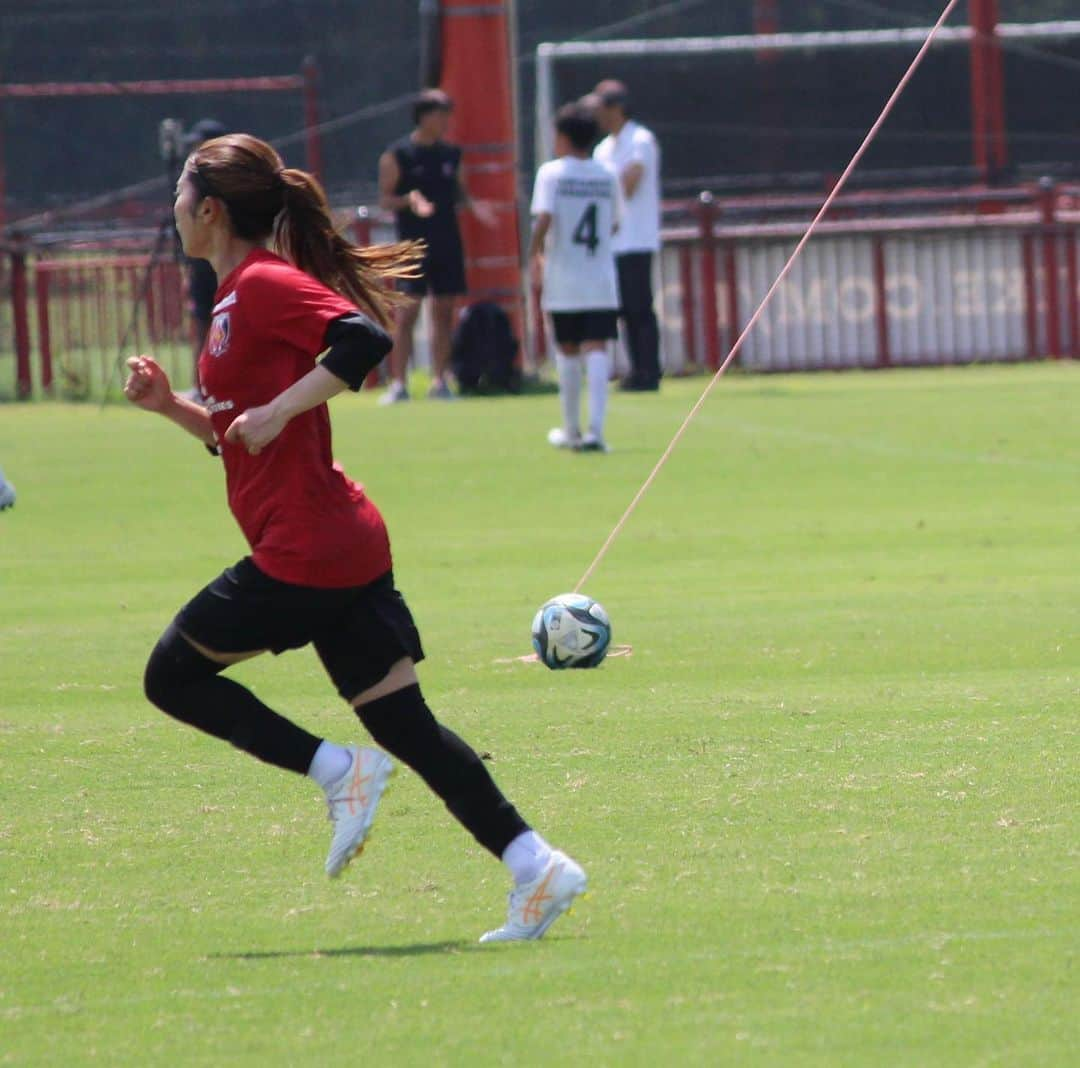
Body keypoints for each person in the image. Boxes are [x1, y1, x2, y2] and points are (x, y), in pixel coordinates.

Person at [122, 132, 586, 943]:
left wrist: (279, 409)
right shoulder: (235, 299)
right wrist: (170, 409)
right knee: (407, 727)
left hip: (307, 550)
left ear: (210, 210)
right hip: (337, 541)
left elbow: (363, 343)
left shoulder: (264, 283)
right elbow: (241, 433)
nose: (173, 212)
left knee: (171, 676)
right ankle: (536, 865)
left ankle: (337, 771)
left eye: (180, 196)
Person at [377, 89, 495, 403]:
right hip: (412, 246)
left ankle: (440, 380)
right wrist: (409, 200)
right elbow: (385, 198)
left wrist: (476, 207)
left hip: (447, 242)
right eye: (439, 114)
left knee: (444, 312)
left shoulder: (451, 154)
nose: (445, 121)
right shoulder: (398, 154)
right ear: (423, 116)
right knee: (408, 313)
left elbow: (461, 193)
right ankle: (398, 384)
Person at [530, 102, 621, 452]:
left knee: (567, 349)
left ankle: (571, 430)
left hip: (563, 275)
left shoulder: (551, 173)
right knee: (597, 347)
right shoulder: (607, 173)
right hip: (599, 275)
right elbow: (614, 222)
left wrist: (534, 254)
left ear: (563, 137)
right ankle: (596, 432)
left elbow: (544, 220)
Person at [592, 80, 663, 392]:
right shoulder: (603, 148)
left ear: (616, 108)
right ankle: (635, 369)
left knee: (639, 309)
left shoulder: (640, 139)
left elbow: (630, 184)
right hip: (611, 241)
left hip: (636, 237)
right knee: (621, 311)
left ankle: (649, 371)